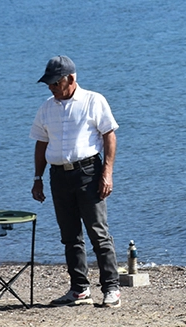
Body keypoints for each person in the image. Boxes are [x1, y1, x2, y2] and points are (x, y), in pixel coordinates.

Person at [30, 55, 121, 308]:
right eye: (49, 84)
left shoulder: (94, 100)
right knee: (69, 235)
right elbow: (41, 143)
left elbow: (109, 137)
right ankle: (79, 288)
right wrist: (37, 178)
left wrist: (107, 173)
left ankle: (111, 288)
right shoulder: (47, 107)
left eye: (55, 84)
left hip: (89, 172)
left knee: (97, 232)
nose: (51, 88)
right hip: (58, 175)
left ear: (71, 79)